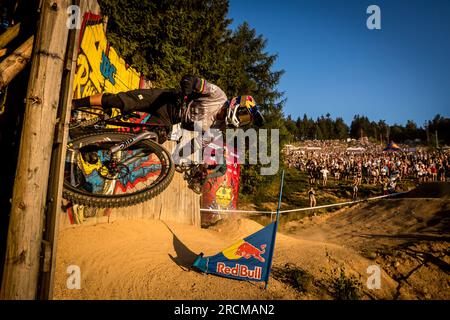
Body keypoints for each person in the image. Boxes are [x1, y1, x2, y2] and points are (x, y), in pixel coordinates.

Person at [71, 75, 265, 180]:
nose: (242, 120)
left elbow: (197, 146)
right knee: (122, 101)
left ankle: (92, 145)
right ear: (237, 104)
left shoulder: (218, 129)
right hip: (165, 99)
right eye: (244, 114)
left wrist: (200, 168)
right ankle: (74, 104)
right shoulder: (218, 95)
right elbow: (192, 80)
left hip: (168, 119)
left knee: (149, 142)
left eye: (246, 119)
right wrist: (187, 91)